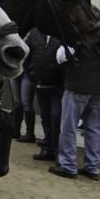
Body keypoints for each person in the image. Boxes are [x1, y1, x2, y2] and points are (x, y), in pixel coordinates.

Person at [48, 44, 100, 180]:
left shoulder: (78, 38)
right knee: (95, 129)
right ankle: (93, 167)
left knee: (68, 126)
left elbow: (61, 57)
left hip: (78, 85)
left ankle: (68, 165)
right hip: (99, 86)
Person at [30, 32, 63, 162]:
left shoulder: (61, 36)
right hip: (40, 82)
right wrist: (32, 72)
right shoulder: (36, 35)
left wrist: (54, 70)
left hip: (57, 85)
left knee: (56, 117)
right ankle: (48, 148)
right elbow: (30, 54)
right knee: (45, 117)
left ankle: (56, 149)